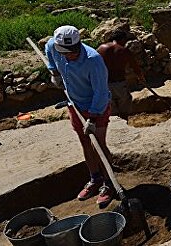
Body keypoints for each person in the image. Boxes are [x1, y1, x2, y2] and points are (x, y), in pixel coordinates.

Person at [45, 25, 114, 208]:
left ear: (79, 44)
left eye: (73, 51)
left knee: (97, 144)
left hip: (96, 106)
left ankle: (109, 184)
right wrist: (54, 72)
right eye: (65, 53)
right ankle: (95, 178)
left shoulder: (93, 60)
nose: (70, 55)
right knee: (85, 143)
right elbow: (49, 50)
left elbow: (100, 92)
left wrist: (92, 118)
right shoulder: (54, 46)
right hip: (74, 104)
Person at [97, 30, 145, 120]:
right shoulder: (124, 51)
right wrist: (141, 78)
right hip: (120, 84)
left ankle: (116, 127)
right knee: (124, 108)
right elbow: (135, 67)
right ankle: (124, 125)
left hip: (104, 84)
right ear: (122, 39)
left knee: (111, 109)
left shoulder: (101, 49)